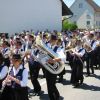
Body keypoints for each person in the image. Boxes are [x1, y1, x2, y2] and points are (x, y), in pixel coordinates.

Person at [45, 35, 66, 100]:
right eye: (49, 40)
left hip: (54, 69)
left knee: (51, 84)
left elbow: (63, 57)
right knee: (49, 84)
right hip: (47, 68)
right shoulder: (48, 47)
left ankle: (55, 96)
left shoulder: (58, 48)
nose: (49, 41)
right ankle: (53, 96)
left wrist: (54, 60)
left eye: (50, 39)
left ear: (54, 40)